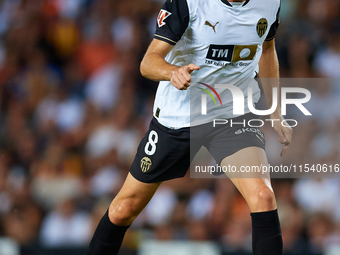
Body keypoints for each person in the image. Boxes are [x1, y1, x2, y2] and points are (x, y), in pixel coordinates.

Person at [87, 0, 292, 254]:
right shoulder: (188, 3)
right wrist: (172, 72)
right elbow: (148, 62)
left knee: (263, 196)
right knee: (123, 210)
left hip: (230, 115)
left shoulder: (269, 3)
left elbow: (267, 48)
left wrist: (275, 111)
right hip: (179, 118)